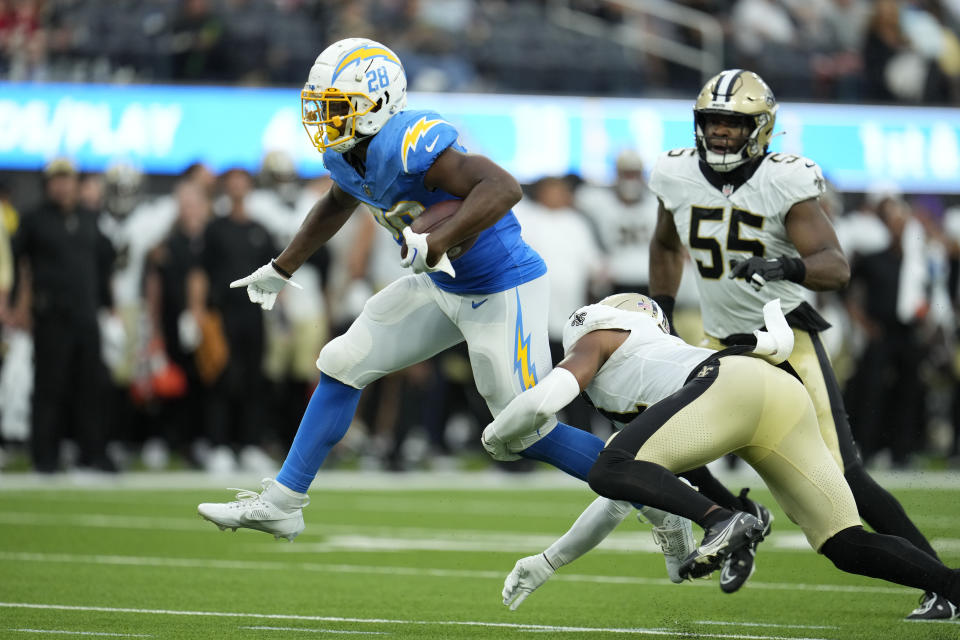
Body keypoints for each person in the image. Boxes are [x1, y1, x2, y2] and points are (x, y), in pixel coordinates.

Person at [195, 38, 692, 575]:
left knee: (523, 427)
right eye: (321, 106)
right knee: (342, 361)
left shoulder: (411, 139)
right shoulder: (346, 154)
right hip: (440, 286)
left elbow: (502, 187)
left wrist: (438, 238)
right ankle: (285, 502)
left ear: (378, 102)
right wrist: (283, 266)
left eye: (337, 106)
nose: (324, 118)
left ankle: (662, 499)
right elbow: (337, 201)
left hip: (502, 286)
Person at [647, 68, 956, 620]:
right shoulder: (673, 174)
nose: (719, 134)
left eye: (732, 125)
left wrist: (784, 263)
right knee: (668, 444)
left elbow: (834, 267)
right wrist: (661, 311)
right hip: (719, 341)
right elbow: (666, 244)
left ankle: (942, 584)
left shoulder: (783, 180)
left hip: (787, 339)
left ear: (761, 128)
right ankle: (737, 517)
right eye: (713, 123)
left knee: (846, 478)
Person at [483, 293, 960, 615]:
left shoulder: (603, 334)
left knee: (611, 465)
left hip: (729, 382)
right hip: (776, 392)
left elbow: (551, 399)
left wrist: (498, 432)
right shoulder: (651, 377)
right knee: (845, 544)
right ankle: (953, 586)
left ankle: (725, 520)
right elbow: (636, 494)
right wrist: (548, 562)